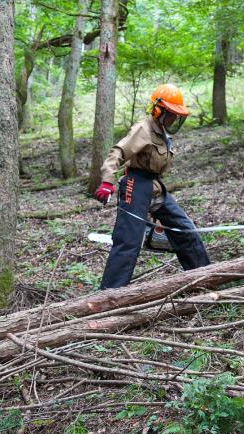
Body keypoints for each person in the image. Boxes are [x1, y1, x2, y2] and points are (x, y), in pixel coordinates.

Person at [93, 83, 210, 289]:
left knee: (185, 230)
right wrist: (107, 182)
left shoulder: (163, 134)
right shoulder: (143, 129)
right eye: (171, 114)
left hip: (155, 187)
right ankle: (110, 294)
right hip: (135, 185)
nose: (174, 119)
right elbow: (117, 152)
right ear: (158, 110)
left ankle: (204, 280)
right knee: (128, 242)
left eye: (177, 115)